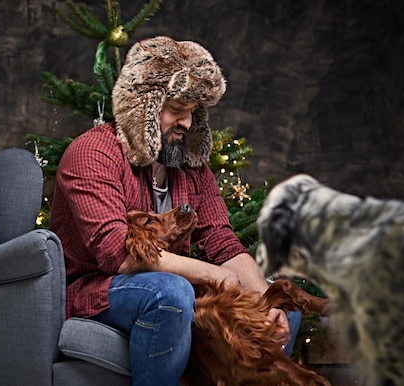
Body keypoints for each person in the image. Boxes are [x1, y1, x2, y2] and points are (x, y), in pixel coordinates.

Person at [50, 35, 300, 386]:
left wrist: (265, 298)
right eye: (176, 110)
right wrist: (212, 275)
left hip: (166, 283)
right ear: (144, 107)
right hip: (96, 287)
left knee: (277, 307)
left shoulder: (192, 168)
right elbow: (115, 255)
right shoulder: (92, 153)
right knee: (172, 293)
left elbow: (222, 242)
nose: (185, 122)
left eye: (193, 113)